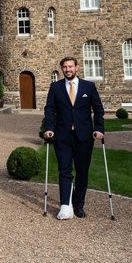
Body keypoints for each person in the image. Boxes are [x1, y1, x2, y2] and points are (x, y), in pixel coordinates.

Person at [42, 56, 105, 220]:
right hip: (62, 136)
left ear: (76, 67)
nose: (68, 70)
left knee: (82, 171)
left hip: (84, 136)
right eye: (65, 67)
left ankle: (78, 204)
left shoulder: (88, 87)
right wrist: (49, 128)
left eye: (70, 66)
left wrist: (99, 128)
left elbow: (98, 109)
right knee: (64, 171)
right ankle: (64, 205)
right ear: (62, 69)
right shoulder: (55, 87)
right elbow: (49, 109)